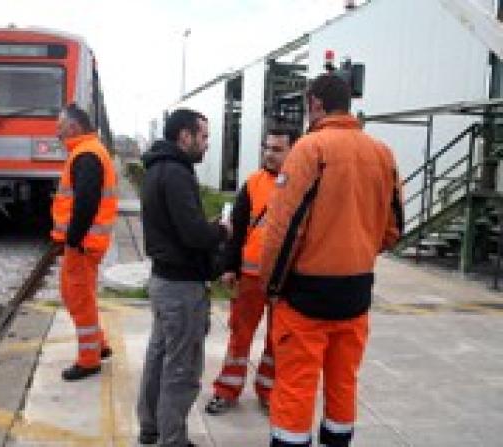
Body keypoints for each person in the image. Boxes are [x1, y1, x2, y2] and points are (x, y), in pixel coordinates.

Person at [260, 74, 403, 447]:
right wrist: (356, 248)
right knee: (343, 382)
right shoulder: (383, 153)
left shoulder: (310, 149)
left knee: (296, 386)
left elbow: (283, 230)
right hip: (356, 292)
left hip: (307, 295)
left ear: (316, 104)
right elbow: (394, 228)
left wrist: (271, 286)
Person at [137, 108, 231, 446]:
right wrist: (221, 230)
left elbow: (178, 227)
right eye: (203, 136)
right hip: (181, 288)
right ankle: (172, 440)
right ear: (184, 136)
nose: (206, 144)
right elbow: (193, 234)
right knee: (183, 369)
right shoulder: (177, 173)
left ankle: (151, 428)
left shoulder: (155, 168)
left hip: (163, 282)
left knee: (159, 358)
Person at [204, 124, 300, 415]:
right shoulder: (253, 183)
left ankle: (268, 391)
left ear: (293, 151)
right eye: (267, 147)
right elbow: (236, 230)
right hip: (249, 279)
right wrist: (229, 267)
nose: (269, 154)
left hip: (285, 280)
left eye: (277, 149)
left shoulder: (302, 186)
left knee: (277, 340)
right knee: (239, 336)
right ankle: (227, 389)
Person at [51, 103, 118, 381]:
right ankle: (98, 345)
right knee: (80, 295)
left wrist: (73, 239)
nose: (57, 131)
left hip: (83, 243)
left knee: (77, 297)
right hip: (88, 242)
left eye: (60, 126)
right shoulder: (88, 151)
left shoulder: (86, 154)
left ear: (74, 127)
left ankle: (89, 360)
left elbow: (86, 203)